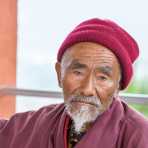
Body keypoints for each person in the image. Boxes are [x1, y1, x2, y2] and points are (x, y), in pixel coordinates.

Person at [0, 18, 148, 148]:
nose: (87, 89)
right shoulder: (38, 123)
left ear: (119, 85)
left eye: (102, 77)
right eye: (78, 73)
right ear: (59, 74)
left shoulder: (138, 135)